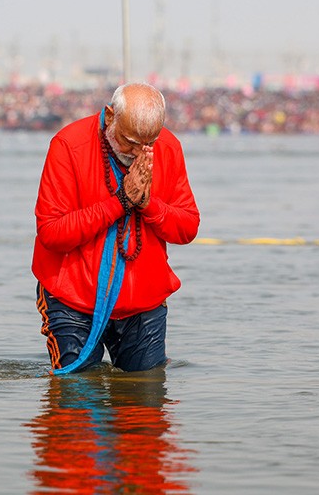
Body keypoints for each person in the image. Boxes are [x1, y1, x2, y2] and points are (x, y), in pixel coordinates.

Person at [32, 82, 200, 373]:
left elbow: (187, 228)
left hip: (143, 303)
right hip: (73, 299)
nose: (138, 152)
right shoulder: (68, 145)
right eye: (129, 141)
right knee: (75, 405)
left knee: (146, 409)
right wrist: (120, 202)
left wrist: (148, 204)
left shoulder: (168, 148)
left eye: (148, 144)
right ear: (110, 116)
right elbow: (52, 233)